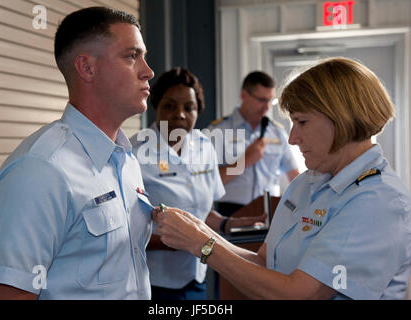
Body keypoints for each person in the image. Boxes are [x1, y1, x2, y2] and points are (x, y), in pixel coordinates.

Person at [153, 57, 411, 299]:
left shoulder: (377, 201)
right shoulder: (306, 183)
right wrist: (200, 232)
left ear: (340, 119)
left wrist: (203, 244)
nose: (292, 138)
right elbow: (265, 262)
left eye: (301, 122)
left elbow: (298, 293)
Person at [0, 7, 155, 299]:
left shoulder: (125, 159)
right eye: (131, 56)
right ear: (86, 68)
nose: (148, 71)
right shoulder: (40, 170)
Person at [130, 67, 264, 300]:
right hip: (151, 284)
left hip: (195, 279)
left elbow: (203, 214)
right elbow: (126, 232)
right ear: (156, 107)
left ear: (197, 111)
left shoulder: (204, 146)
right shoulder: (134, 153)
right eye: (170, 106)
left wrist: (232, 224)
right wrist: (181, 241)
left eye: (188, 108)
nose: (180, 114)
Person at [208, 71, 299, 216]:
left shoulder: (277, 132)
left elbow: (294, 176)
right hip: (229, 213)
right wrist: (243, 162)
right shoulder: (218, 131)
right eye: (262, 100)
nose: (267, 107)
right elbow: (208, 182)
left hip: (270, 212)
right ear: (244, 95)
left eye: (270, 101)